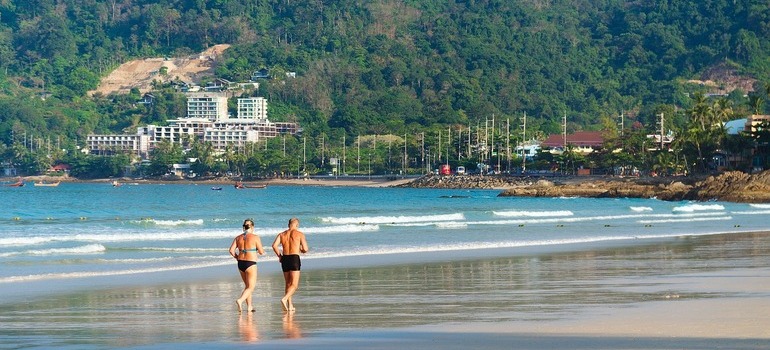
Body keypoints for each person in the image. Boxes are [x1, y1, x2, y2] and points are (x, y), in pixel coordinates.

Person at [272, 217, 308, 312]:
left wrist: (279, 256)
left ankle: (290, 305)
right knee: (294, 285)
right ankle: (284, 299)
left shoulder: (282, 234)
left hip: (285, 258)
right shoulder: (299, 234)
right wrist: (301, 250)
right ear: (297, 225)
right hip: (294, 258)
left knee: (288, 283)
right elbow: (306, 249)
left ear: (289, 225)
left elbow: (274, 246)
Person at [229, 219, 265, 313]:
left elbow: (231, 250)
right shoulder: (255, 237)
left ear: (243, 227)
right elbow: (261, 252)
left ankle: (249, 307)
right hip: (250, 263)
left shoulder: (238, 238)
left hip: (241, 263)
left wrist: (237, 257)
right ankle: (240, 300)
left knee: (247, 286)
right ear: (252, 227)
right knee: (251, 287)